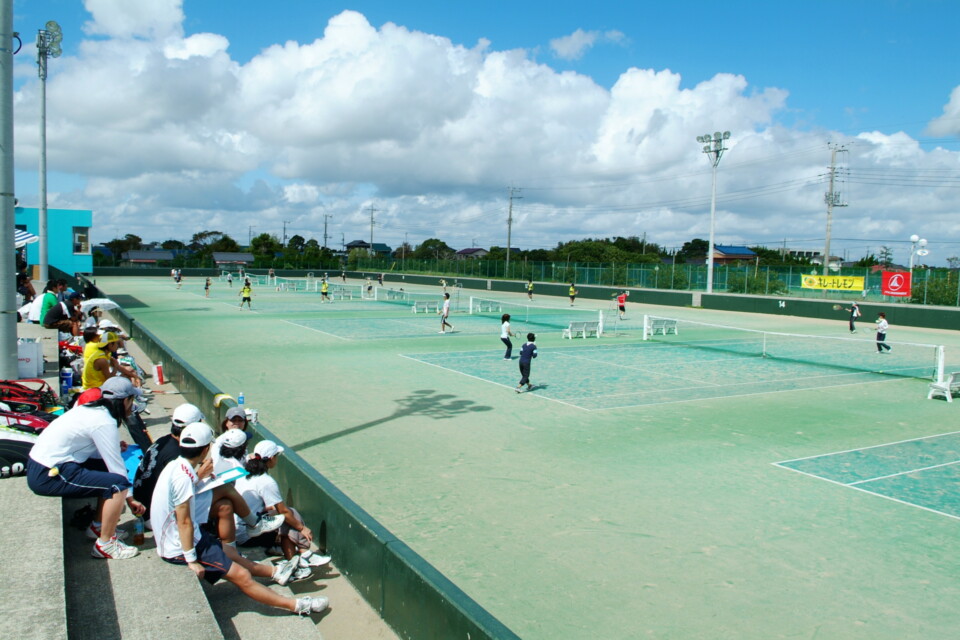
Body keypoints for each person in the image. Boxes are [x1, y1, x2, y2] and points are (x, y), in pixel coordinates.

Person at [150, 423, 328, 616]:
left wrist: (199, 477)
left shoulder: (177, 466)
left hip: (179, 537)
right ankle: (297, 605)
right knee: (242, 576)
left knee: (229, 544)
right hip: (178, 547)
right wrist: (192, 560)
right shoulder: (183, 478)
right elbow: (184, 522)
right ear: (205, 449)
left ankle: (276, 572)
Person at [27, 377, 146, 559]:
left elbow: (94, 452)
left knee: (105, 470)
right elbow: (117, 470)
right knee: (118, 484)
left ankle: (98, 527)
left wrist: (113, 446)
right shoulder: (104, 421)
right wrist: (130, 499)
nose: (132, 406)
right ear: (124, 401)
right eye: (132, 400)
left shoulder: (91, 409)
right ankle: (105, 545)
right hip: (47, 474)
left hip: (44, 464)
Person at [235, 440, 331, 575]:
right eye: (276, 456)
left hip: (237, 531)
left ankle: (301, 556)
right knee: (288, 517)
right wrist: (302, 528)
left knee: (287, 514)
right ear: (271, 459)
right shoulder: (266, 481)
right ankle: (299, 561)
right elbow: (283, 512)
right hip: (248, 535)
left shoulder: (245, 472)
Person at [133, 403, 206, 520]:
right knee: (220, 501)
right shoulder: (177, 454)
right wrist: (201, 474)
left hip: (142, 504)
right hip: (155, 515)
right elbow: (181, 489)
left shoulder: (164, 440)